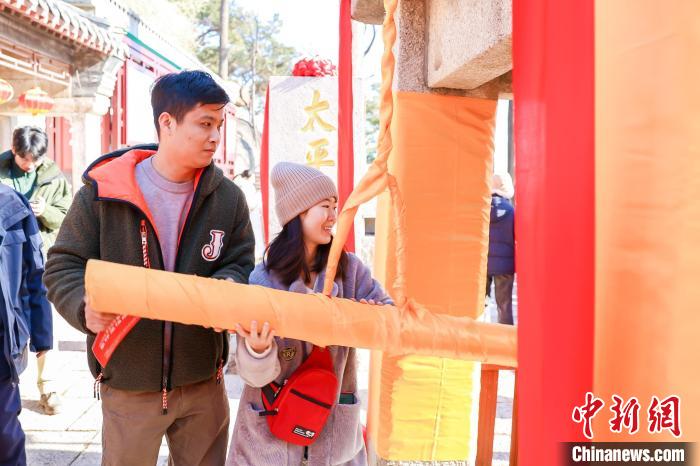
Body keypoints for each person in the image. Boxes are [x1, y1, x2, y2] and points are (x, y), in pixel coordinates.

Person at [44, 70, 255, 465]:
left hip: (204, 385)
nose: (215, 136)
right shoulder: (103, 192)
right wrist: (83, 306)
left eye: (219, 125)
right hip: (129, 386)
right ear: (167, 122)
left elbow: (240, 262)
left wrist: (227, 286)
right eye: (205, 124)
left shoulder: (228, 199)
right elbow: (62, 264)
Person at [227, 162, 392, 466]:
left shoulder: (350, 270)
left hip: (333, 440)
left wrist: (370, 318)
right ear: (298, 213)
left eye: (335, 207)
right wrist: (259, 351)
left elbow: (389, 319)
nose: (333, 216)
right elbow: (252, 376)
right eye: (325, 207)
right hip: (269, 442)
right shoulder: (264, 279)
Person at [0, 126, 71, 415]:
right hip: (8, 254)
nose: (29, 164)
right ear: (14, 151)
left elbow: (67, 216)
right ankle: (10, 380)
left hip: (41, 254)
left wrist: (45, 212)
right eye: (24, 158)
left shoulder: (54, 177)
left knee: (41, 313)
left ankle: (47, 385)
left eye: (35, 159)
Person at [0, 184, 53, 465]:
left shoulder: (12, 204)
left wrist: (42, 336)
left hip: (3, 343)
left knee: (5, 437)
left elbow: (35, 273)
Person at [485, 172, 516, 325]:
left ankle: (480, 334)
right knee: (504, 306)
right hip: (505, 266)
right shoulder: (511, 212)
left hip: (483, 264)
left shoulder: (482, 210)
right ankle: (506, 336)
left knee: (481, 304)